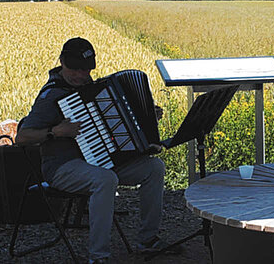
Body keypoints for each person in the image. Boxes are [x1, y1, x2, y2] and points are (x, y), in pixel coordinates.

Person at [16, 37, 167, 264]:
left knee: (154, 167)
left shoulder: (92, 88)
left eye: (86, 70)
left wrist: (144, 119)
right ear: (62, 63)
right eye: (74, 69)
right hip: (61, 167)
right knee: (105, 180)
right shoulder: (51, 95)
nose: (80, 75)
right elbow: (22, 137)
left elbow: (115, 125)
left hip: (100, 161)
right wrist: (56, 131)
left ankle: (148, 241)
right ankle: (98, 258)